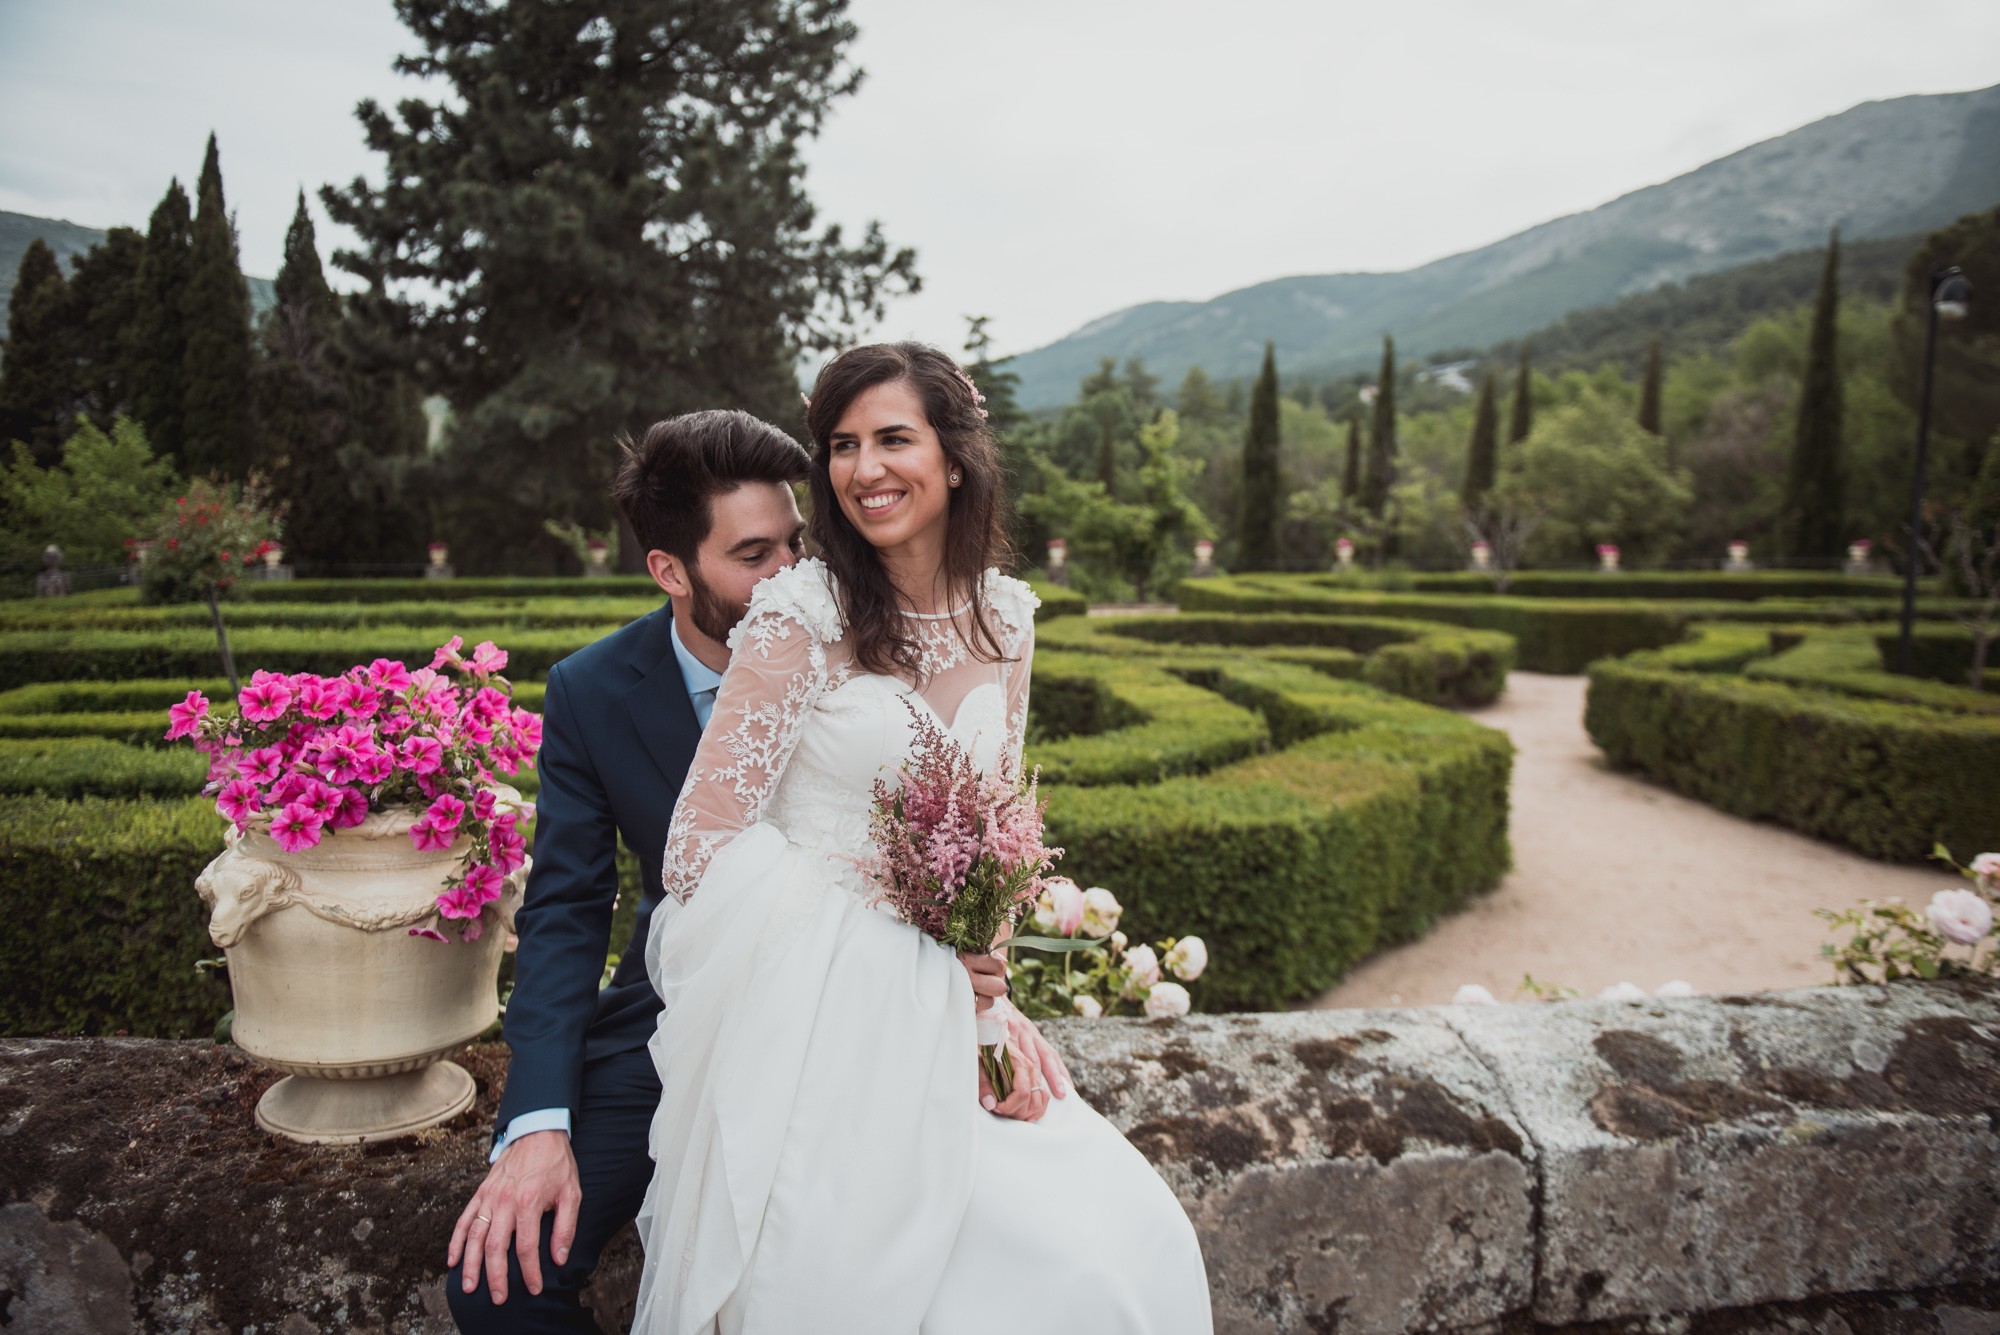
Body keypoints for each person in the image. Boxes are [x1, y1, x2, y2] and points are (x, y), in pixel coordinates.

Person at [632, 344, 1212, 1332]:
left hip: (951, 1017)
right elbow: (699, 844)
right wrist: (899, 946)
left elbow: (987, 833)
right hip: (822, 1034)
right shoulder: (797, 618)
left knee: (1125, 1244)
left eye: (892, 438)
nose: (864, 469)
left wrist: (994, 996)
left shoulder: (1006, 622)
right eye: (843, 446)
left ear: (954, 457)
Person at [444, 409, 1028, 1331]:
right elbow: (564, 911)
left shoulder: (870, 635)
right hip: (674, 1017)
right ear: (671, 570)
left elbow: (960, 832)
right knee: (497, 1286)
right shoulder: (592, 692)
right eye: (754, 556)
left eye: (799, 541)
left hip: (873, 1013)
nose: (792, 574)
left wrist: (986, 984)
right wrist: (539, 1120)